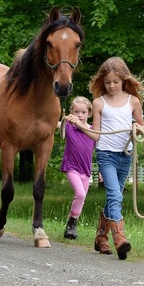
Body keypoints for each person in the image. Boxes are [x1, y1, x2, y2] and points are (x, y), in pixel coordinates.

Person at [70, 57, 144, 260]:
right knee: (115, 195)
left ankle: (100, 237)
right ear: (102, 82)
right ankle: (119, 238)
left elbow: (142, 128)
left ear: (123, 80)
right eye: (107, 82)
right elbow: (97, 135)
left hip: (125, 155)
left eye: (115, 81)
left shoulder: (133, 101)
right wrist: (80, 126)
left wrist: (137, 130)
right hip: (106, 155)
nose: (111, 85)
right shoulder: (98, 103)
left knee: (114, 196)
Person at [57, 97, 95, 240]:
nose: (80, 115)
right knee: (80, 194)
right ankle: (72, 224)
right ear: (71, 112)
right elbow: (52, 123)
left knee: (81, 198)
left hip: (85, 170)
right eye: (76, 111)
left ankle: (70, 226)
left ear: (89, 113)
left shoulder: (93, 130)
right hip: (71, 167)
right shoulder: (68, 127)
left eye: (83, 112)